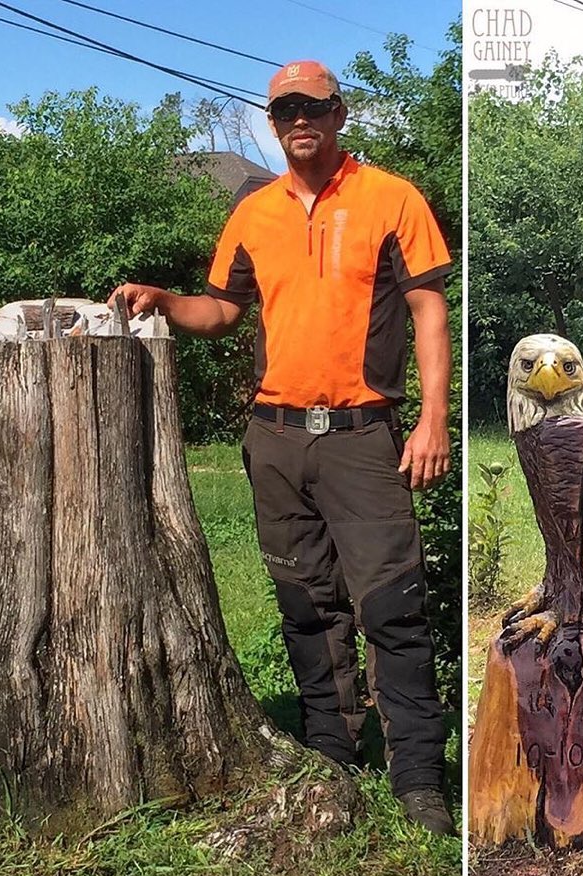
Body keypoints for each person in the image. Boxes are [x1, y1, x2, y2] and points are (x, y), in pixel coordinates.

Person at [109, 60, 455, 835]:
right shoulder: (253, 211)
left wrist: (433, 418)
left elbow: (429, 310)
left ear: (339, 114)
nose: (300, 118)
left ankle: (419, 781)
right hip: (275, 438)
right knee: (306, 604)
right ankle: (332, 753)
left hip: (364, 439)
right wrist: (164, 300)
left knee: (393, 606)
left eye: (314, 106)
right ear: (272, 123)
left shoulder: (391, 199)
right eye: (285, 109)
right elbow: (222, 310)